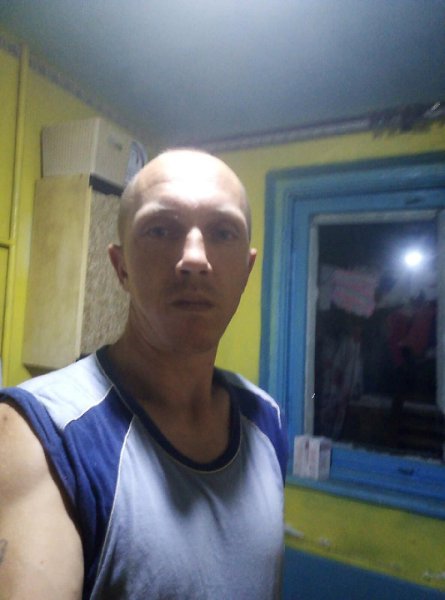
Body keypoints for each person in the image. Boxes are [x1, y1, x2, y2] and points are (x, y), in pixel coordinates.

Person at [0, 149, 288, 599]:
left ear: (246, 271)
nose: (195, 258)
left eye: (223, 232)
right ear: (122, 267)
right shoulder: (40, 437)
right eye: (161, 229)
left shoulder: (265, 419)